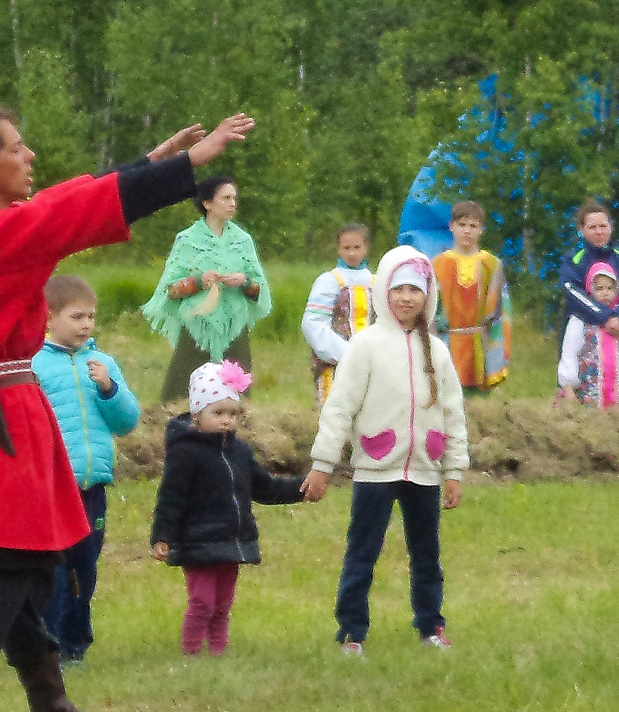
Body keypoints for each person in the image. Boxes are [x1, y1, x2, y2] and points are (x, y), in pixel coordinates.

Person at [0, 104, 250, 712]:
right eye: (18, 148)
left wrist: (152, 163)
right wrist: (188, 168)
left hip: (6, 406)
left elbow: (72, 199)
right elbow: (72, 210)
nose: (31, 156)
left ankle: (51, 709)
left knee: (24, 565)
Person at [301, 247, 469, 655]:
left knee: (426, 554)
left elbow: (453, 414)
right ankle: (351, 632)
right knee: (363, 552)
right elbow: (339, 408)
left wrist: (453, 471)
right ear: (384, 293)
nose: (406, 298)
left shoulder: (439, 351)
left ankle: (430, 626)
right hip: (377, 469)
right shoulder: (365, 346)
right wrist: (323, 464)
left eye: (415, 290)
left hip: (425, 470)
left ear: (427, 297)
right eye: (398, 290)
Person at [150, 362, 305, 656]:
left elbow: (265, 488)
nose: (226, 420)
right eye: (217, 412)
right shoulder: (185, 452)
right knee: (202, 602)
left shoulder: (240, 452)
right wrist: (163, 536)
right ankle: (191, 653)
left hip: (231, 541)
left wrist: (302, 488)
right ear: (197, 415)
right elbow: (171, 498)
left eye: (233, 413)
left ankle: (218, 652)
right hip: (197, 541)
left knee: (222, 604)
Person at [32, 275, 141, 666]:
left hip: (92, 485)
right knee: (55, 568)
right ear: (49, 318)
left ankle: (77, 640)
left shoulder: (103, 363)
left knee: (86, 565)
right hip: (53, 486)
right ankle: (51, 642)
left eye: (91, 317)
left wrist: (109, 389)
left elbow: (127, 422)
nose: (86, 325)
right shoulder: (34, 365)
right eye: (77, 316)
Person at [144, 177, 272, 402]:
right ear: (207, 203)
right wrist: (199, 281)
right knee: (182, 397)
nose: (233, 203)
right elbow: (170, 290)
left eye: (234, 198)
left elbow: (258, 291)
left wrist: (242, 281)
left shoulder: (243, 241)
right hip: (196, 327)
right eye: (226, 198)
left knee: (236, 397)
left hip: (234, 327)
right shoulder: (187, 241)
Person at [433, 201, 511, 393]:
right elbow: (430, 312)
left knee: (479, 406)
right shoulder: (437, 265)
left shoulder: (492, 265)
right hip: (447, 343)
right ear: (451, 226)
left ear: (481, 230)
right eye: (462, 225)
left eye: (473, 226)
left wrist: (495, 359)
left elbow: (501, 315)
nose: (467, 231)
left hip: (480, 347)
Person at [557, 265, 619, 408]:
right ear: (590, 289)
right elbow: (569, 353)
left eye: (609, 288)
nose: (605, 293)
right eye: (599, 288)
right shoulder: (581, 319)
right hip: (588, 395)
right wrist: (568, 388)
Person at [304, 224, 378, 405]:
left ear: (366, 248)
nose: (352, 254)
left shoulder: (376, 281)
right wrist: (346, 353)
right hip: (335, 360)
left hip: (371, 360)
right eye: (346, 248)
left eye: (357, 248)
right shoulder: (328, 281)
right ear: (338, 249)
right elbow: (313, 323)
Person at [558, 200, 619, 341]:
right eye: (592, 227)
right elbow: (573, 292)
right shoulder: (574, 260)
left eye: (603, 226)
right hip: (583, 332)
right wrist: (605, 317)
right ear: (581, 230)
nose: (599, 232)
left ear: (610, 228)